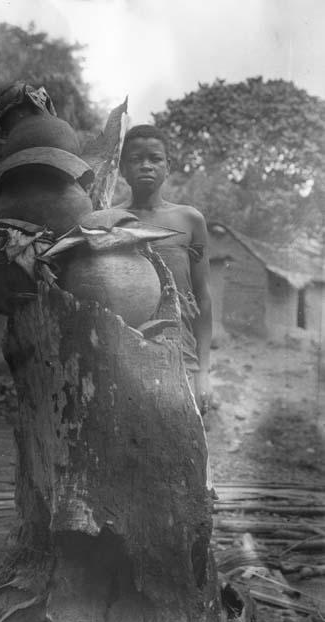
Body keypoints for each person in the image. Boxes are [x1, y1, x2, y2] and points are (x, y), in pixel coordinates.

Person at [118, 125, 212, 413]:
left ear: (167, 166)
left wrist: (204, 373)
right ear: (122, 169)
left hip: (179, 348)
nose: (146, 165)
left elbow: (203, 297)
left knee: (184, 443)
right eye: (136, 159)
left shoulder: (189, 220)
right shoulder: (110, 221)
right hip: (124, 349)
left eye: (155, 158)